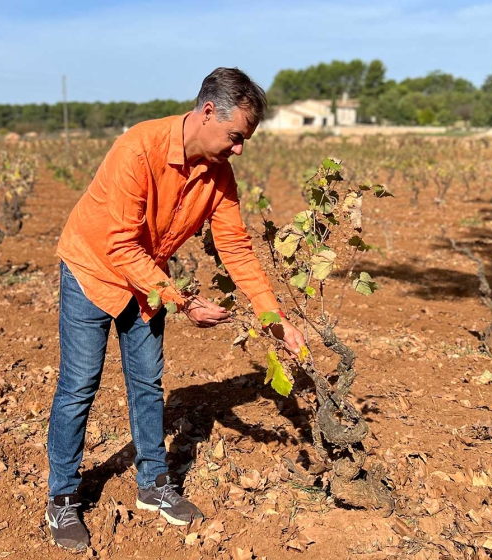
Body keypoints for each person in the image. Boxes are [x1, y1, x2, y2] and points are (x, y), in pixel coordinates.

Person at [46, 67, 305, 551]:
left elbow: (237, 247)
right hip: (92, 271)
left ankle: (153, 484)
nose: (239, 149)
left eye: (245, 139)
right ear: (207, 112)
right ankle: (61, 498)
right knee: (79, 384)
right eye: (235, 136)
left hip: (148, 278)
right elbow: (121, 246)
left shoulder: (219, 174)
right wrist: (183, 302)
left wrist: (274, 318)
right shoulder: (137, 149)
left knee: (147, 382)